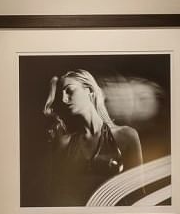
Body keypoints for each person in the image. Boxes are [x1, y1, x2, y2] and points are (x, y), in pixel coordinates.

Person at [40, 70, 143, 206]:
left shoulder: (127, 135)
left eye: (69, 90)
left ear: (89, 90)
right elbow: (55, 195)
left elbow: (138, 194)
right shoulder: (65, 143)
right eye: (61, 95)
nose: (64, 99)